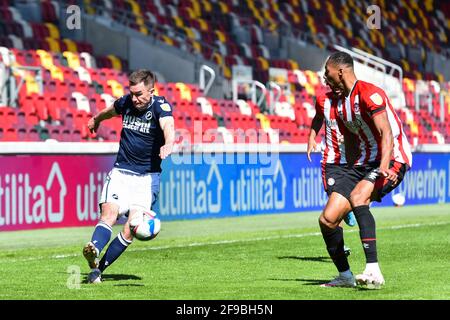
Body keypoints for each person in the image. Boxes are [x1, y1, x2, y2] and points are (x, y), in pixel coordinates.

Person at [322, 52, 412, 289]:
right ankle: (345, 276)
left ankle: (374, 271)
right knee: (328, 219)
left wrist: (383, 167)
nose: (325, 76)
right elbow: (351, 141)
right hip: (363, 162)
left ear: (340, 71)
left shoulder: (369, 93)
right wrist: (348, 172)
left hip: (391, 157)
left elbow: (387, 133)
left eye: (327, 71)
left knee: (359, 196)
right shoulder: (341, 103)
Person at [82, 69, 175, 283]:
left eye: (139, 94)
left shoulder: (160, 107)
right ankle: (93, 248)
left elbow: (168, 126)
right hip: (121, 173)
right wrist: (96, 119)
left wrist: (169, 142)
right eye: (132, 93)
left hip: (147, 179)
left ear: (151, 90)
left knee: (131, 228)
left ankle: (97, 270)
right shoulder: (126, 102)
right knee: (109, 214)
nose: (134, 98)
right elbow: (110, 111)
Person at [307, 86, 358, 287]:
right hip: (332, 163)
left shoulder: (356, 100)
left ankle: (349, 209)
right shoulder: (322, 100)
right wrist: (311, 138)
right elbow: (318, 118)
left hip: (356, 162)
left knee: (331, 215)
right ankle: (347, 212)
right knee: (331, 209)